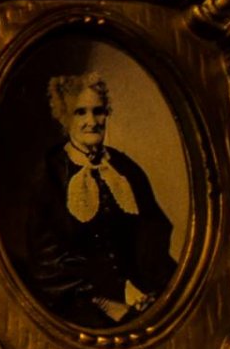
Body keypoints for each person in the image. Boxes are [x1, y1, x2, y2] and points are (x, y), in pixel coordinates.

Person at [22, 72, 176, 328]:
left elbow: (153, 233)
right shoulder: (50, 174)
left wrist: (147, 290)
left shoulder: (125, 168)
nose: (91, 122)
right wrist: (109, 298)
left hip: (140, 294)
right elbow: (48, 262)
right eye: (80, 112)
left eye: (98, 111)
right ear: (64, 117)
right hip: (79, 301)